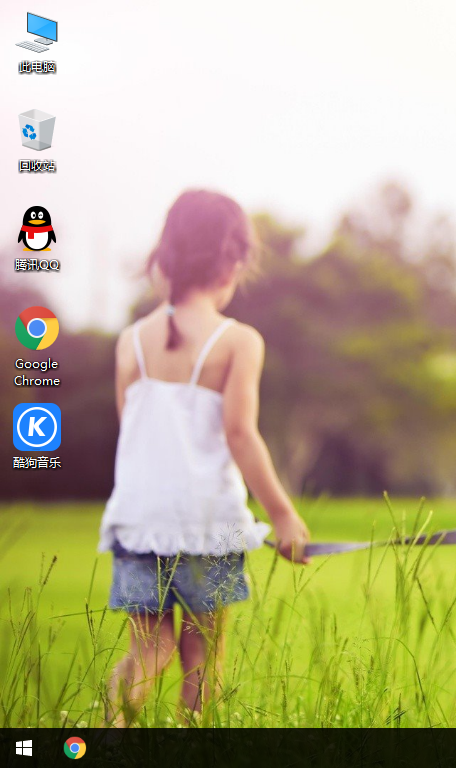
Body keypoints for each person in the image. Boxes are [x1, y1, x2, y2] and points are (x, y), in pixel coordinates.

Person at [99, 190, 311, 725]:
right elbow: (240, 434)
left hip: (137, 522)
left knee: (147, 652)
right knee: (203, 660)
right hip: (209, 528)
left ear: (165, 259)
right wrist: (282, 515)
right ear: (233, 263)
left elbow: (133, 431)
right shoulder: (238, 341)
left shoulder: (131, 341)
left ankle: (104, 735)